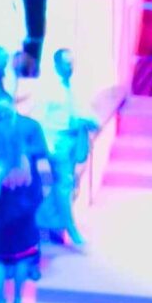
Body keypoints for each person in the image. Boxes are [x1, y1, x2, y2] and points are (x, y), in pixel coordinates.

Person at [0, 103, 50, 303]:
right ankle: (18, 299)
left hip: (1, 214)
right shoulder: (24, 162)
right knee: (22, 256)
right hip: (24, 211)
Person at [35, 46, 98, 249]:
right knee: (65, 183)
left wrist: (92, 121)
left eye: (72, 63)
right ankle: (71, 228)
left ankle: (41, 217)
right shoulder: (47, 88)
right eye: (66, 63)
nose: (70, 67)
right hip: (58, 140)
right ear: (56, 65)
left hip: (75, 139)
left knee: (69, 184)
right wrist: (48, 146)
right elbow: (39, 120)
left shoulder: (76, 85)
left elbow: (84, 110)